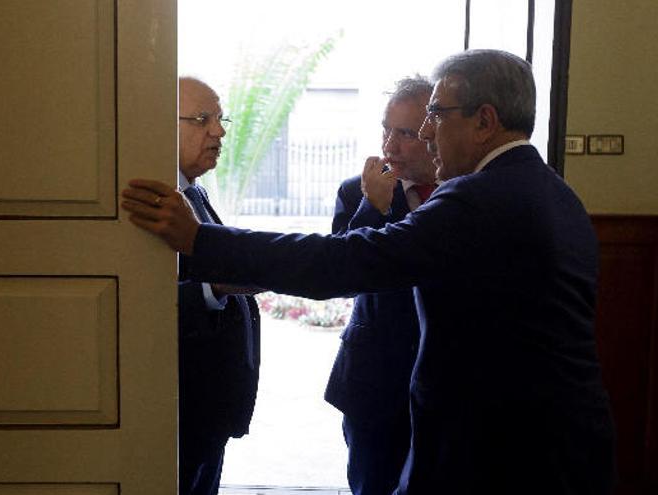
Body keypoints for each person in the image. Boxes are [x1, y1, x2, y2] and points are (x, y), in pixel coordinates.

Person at [123, 50, 615, 494]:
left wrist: (199, 240)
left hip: (502, 452)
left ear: (485, 121)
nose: (424, 133)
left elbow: (345, 262)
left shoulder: (479, 199)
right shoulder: (553, 192)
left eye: (435, 116)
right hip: (555, 441)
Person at [326, 76, 436, 495]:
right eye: (386, 129)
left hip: (445, 381)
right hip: (375, 381)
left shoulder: (463, 194)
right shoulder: (357, 191)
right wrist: (371, 208)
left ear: (433, 133)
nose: (390, 144)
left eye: (406, 133)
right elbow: (342, 274)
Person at [174, 76, 261, 495]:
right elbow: (139, 305)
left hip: (206, 411)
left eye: (219, 118)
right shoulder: (156, 199)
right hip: (179, 407)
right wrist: (216, 288)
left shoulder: (192, 192)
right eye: (201, 119)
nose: (219, 131)